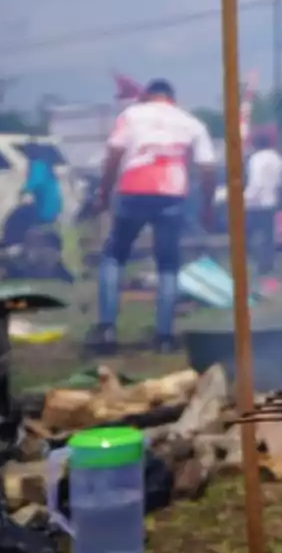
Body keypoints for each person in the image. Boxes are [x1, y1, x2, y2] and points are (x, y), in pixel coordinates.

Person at [87, 79, 215, 355]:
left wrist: (103, 193)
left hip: (133, 191)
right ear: (172, 98)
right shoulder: (190, 122)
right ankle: (165, 336)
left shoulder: (131, 115)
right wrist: (207, 206)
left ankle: (107, 327)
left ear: (146, 96)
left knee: (114, 255)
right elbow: (207, 168)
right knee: (167, 264)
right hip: (171, 193)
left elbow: (113, 156)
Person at [244, 128, 282, 280]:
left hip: (254, 203)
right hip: (270, 201)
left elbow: (256, 182)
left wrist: (245, 198)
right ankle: (267, 266)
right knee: (268, 237)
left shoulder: (256, 158)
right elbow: (279, 182)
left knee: (248, 237)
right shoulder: (277, 158)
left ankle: (253, 265)